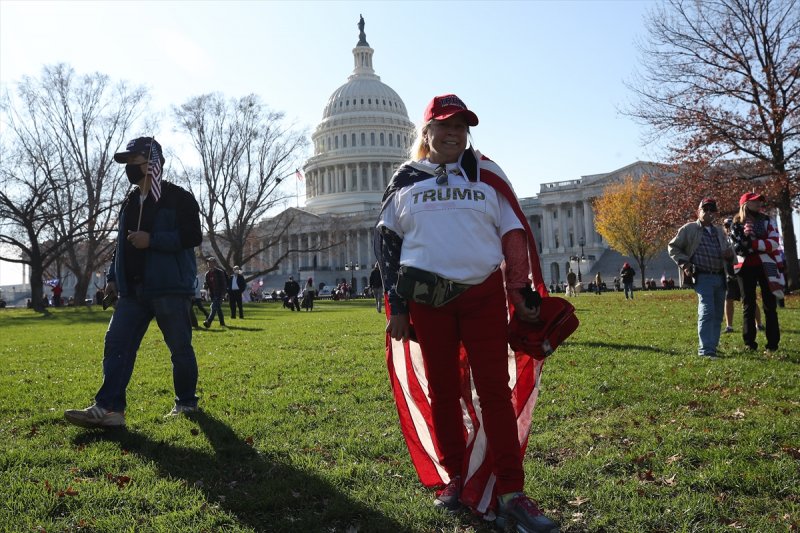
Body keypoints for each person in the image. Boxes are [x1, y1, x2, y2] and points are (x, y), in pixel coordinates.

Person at [374, 94, 559, 531]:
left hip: (482, 296)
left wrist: (520, 290)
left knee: (494, 390)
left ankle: (512, 489)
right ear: (427, 132)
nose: (453, 133)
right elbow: (387, 245)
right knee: (442, 390)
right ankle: (455, 475)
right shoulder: (406, 181)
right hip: (428, 302)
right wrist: (397, 306)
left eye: (461, 126)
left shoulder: (487, 176)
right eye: (445, 126)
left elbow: (513, 233)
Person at [64, 136, 202, 428]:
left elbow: (192, 236)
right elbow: (122, 245)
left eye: (134, 161)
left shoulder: (179, 198)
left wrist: (153, 240)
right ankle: (110, 409)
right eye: (126, 162)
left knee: (180, 349)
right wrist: (113, 278)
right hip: (132, 292)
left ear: (153, 163)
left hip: (169, 288)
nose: (129, 167)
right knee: (116, 343)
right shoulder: (129, 202)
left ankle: (187, 403)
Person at [668, 198, 733, 358]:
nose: (709, 212)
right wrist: (685, 264)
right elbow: (673, 247)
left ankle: (712, 347)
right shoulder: (689, 229)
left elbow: (728, 249)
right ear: (698, 212)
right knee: (707, 311)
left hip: (720, 276)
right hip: (702, 276)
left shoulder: (719, 231)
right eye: (705, 209)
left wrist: (729, 254)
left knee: (718, 314)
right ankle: (705, 350)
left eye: (712, 210)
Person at [728, 192, 782, 352]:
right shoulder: (735, 223)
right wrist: (757, 244)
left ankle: (773, 344)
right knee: (748, 304)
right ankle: (749, 343)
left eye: (760, 201)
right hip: (744, 267)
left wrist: (753, 244)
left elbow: (774, 243)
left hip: (767, 266)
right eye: (755, 201)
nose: (759, 203)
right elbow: (737, 247)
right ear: (745, 204)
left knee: (770, 305)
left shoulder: (767, 220)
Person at [722, 217, 762, 333]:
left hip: (742, 272)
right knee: (728, 299)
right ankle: (729, 326)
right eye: (726, 226)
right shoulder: (723, 240)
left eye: (729, 225)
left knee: (749, 299)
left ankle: (759, 324)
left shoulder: (740, 238)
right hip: (730, 274)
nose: (728, 228)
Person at [203, 257, 228, 328]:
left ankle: (208, 321)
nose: (209, 263)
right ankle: (222, 323)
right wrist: (205, 286)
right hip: (212, 294)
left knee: (213, 307)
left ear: (215, 263)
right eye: (208, 262)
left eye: (211, 262)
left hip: (219, 293)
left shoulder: (220, 272)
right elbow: (206, 285)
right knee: (218, 308)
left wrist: (223, 294)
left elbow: (224, 284)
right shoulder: (207, 274)